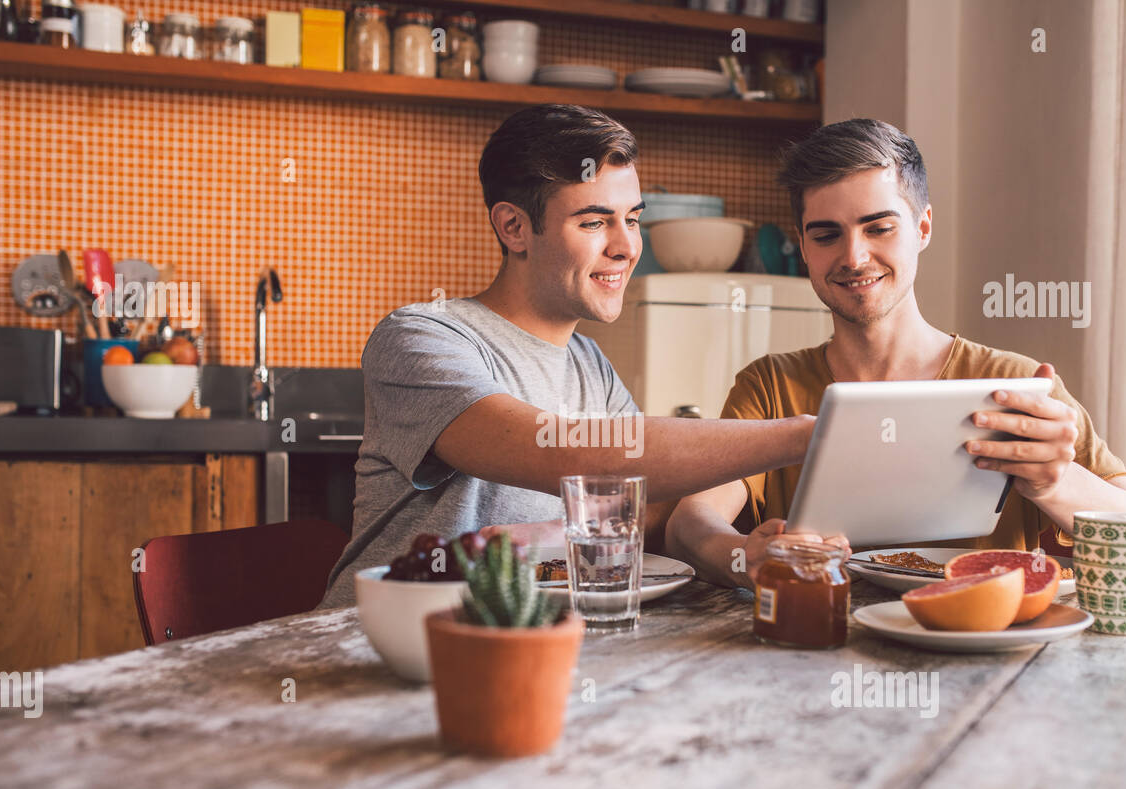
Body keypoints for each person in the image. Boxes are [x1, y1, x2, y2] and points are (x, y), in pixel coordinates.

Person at [318, 105, 819, 609]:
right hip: (371, 644)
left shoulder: (588, 362)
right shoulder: (422, 336)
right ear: (514, 227)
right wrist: (803, 434)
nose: (626, 247)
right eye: (594, 222)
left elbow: (643, 503)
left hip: (519, 644)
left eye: (633, 219)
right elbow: (558, 450)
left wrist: (741, 552)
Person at [665, 118, 1126, 593]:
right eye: (827, 234)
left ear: (922, 228)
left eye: (879, 227)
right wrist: (742, 559)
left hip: (981, 663)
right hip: (814, 656)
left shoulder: (1015, 384)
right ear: (803, 248)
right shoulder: (769, 384)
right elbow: (691, 521)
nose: (853, 256)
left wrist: (1056, 481)